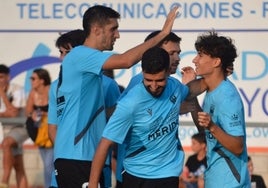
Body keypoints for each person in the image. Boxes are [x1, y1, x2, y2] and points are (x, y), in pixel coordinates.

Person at [53, 4, 179, 188]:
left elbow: (108, 111)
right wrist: (162, 34)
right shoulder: (81, 54)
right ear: (96, 30)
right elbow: (126, 61)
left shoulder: (86, 64)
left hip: (84, 156)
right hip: (77, 156)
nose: (117, 35)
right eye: (113, 29)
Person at [88, 46, 206, 188]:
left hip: (168, 174)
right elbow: (105, 144)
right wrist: (93, 184)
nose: (154, 86)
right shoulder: (130, 103)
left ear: (169, 72)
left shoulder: (174, 86)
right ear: (143, 72)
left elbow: (195, 88)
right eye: (149, 80)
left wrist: (217, 75)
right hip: (136, 175)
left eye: (160, 80)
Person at [48, 29, 121, 188]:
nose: (63, 58)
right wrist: (65, 151)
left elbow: (117, 120)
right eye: (61, 52)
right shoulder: (55, 86)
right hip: (65, 163)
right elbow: (53, 128)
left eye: (67, 52)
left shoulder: (107, 85)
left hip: (95, 162)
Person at [191, 30, 251, 187]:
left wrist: (212, 126)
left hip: (230, 182)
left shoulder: (227, 97)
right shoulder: (212, 90)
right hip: (216, 178)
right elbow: (205, 131)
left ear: (216, 62)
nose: (194, 60)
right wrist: (191, 99)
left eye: (200, 55)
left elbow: (237, 146)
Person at [0, 64, 28, 188]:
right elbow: (8, 113)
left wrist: (2, 93)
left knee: (6, 143)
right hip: (6, 129)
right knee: (18, 166)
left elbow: (14, 113)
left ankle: (4, 181)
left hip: (21, 128)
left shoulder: (17, 89)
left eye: (1, 77)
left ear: (8, 77)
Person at [25, 68, 53, 188]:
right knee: (46, 164)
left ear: (42, 80)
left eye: (33, 78)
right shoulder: (32, 93)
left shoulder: (51, 90)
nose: (31, 81)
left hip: (51, 132)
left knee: (49, 165)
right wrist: (33, 115)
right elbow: (28, 111)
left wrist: (45, 115)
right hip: (39, 133)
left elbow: (58, 110)